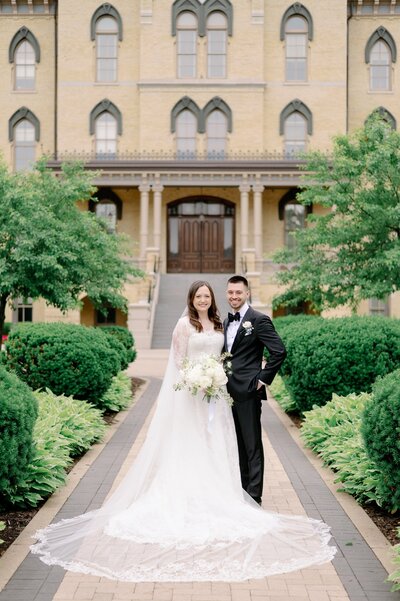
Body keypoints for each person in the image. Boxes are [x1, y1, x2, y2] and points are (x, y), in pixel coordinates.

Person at [31, 281, 335, 582]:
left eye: (213, 295)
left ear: (243, 294)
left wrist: (260, 378)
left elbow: (266, 352)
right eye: (203, 295)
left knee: (240, 445)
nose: (210, 299)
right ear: (192, 299)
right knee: (199, 445)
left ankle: (248, 499)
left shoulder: (231, 321)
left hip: (223, 392)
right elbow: (177, 363)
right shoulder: (188, 324)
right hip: (195, 394)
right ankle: (213, 496)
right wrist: (195, 380)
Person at [224, 275, 286, 505]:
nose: (234, 296)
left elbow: (279, 351)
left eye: (238, 292)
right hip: (226, 394)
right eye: (230, 292)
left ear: (247, 293)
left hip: (248, 392)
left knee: (252, 445)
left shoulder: (259, 320)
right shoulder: (225, 322)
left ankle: (254, 496)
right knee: (237, 444)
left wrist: (262, 380)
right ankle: (242, 492)